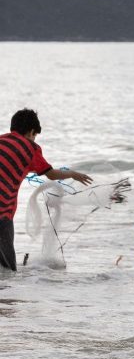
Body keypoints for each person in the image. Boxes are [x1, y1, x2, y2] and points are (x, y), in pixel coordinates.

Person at [0, 109, 92, 271]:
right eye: (34, 136)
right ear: (31, 132)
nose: (34, 139)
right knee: (7, 268)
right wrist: (72, 174)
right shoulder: (31, 148)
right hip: (2, 212)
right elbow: (51, 174)